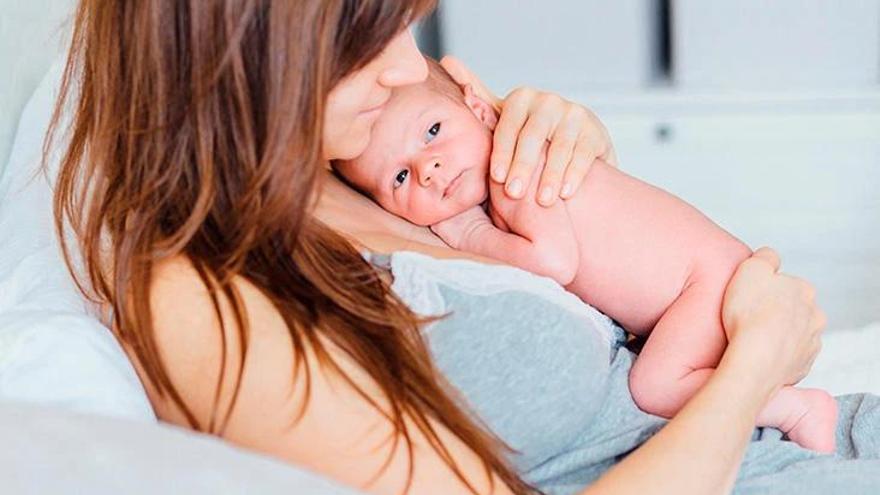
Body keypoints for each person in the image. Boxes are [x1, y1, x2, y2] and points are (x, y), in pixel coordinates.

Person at [48, 1, 880, 494]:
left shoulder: (362, 162)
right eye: (366, 42)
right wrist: (756, 364)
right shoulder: (206, 295)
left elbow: (600, 284)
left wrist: (570, 156)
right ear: (254, 50)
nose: (409, 66)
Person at [332, 60, 838, 452]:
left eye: (433, 131)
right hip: (701, 283)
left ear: (480, 110)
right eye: (399, 177)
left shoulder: (517, 178)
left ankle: (794, 410)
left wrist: (467, 232)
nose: (429, 168)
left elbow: (554, 265)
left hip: (705, 284)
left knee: (655, 386)